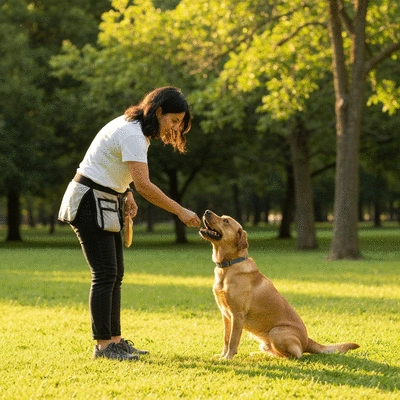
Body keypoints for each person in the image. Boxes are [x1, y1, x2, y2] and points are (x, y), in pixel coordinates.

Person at [58, 86, 201, 361]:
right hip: (88, 201)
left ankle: (115, 341)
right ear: (158, 112)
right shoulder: (133, 134)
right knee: (104, 275)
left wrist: (126, 192)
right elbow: (145, 185)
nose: (175, 128)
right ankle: (103, 347)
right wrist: (180, 211)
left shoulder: (136, 128)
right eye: (173, 120)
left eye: (180, 123)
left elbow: (111, 166)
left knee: (115, 274)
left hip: (104, 200)